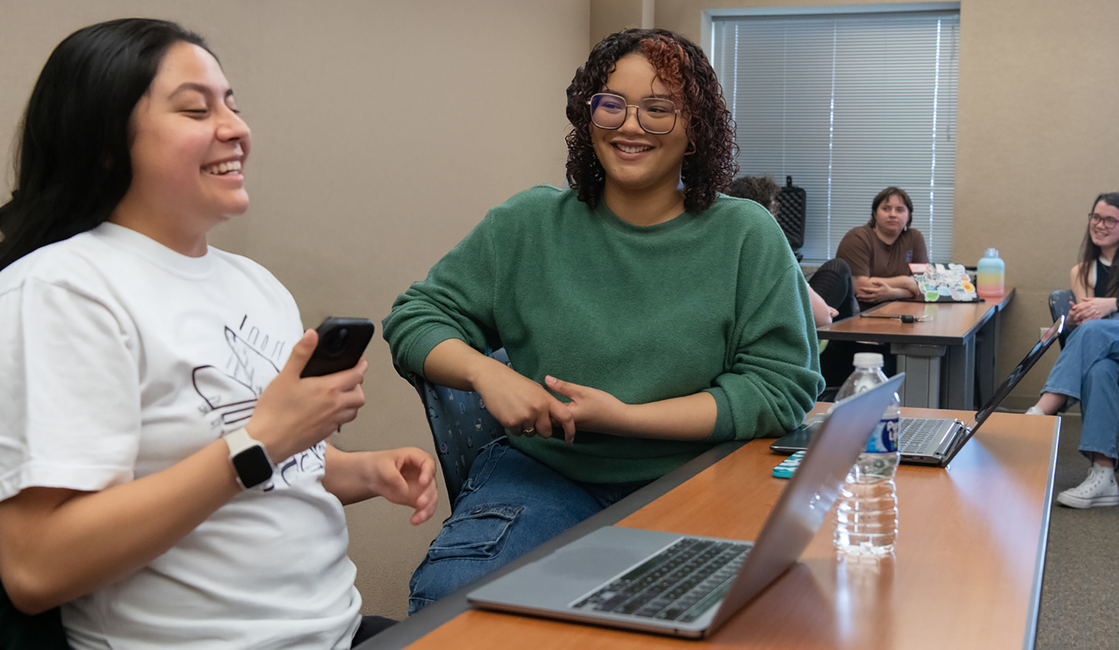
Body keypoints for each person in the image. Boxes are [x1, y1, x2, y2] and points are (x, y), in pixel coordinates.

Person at [0, 19, 438, 649]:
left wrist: (362, 470)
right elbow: (36, 567)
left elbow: (242, 452)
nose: (235, 127)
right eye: (196, 109)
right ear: (104, 143)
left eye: (231, 104)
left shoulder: (254, 284)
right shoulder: (60, 290)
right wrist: (266, 437)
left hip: (338, 633)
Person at [383, 28, 823, 614]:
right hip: (547, 474)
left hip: (697, 475)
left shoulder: (746, 235)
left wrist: (628, 418)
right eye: (611, 104)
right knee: (450, 607)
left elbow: (780, 386)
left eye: (658, 109)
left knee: (749, 615)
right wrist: (488, 375)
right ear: (588, 116)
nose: (630, 125)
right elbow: (415, 317)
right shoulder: (528, 223)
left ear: (695, 130)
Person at [1026, 192, 1119, 508]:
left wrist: (1114, 304)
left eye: (1110, 219)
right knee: (1098, 369)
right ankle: (1103, 476)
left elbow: (1102, 317)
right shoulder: (1082, 271)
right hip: (1117, 353)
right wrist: (1081, 316)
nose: (1100, 225)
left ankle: (1044, 408)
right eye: (1096, 217)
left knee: (1096, 331)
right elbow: (1088, 322)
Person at [724, 175, 859, 329]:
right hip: (792, 334)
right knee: (839, 267)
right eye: (775, 207)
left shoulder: (722, 246)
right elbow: (823, 319)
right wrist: (824, 311)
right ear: (767, 210)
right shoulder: (770, 249)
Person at [835, 186, 929, 311]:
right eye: (886, 209)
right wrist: (907, 282)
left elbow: (925, 287)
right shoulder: (857, 237)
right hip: (861, 315)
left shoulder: (915, 238)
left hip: (905, 312)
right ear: (875, 213)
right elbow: (862, 288)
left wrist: (894, 293)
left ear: (909, 216)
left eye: (900, 210)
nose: (893, 214)